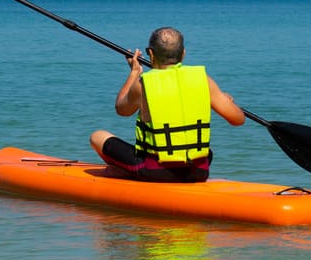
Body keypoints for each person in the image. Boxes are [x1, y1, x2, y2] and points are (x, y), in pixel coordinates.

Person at [89, 27, 245, 182]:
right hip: (198, 171)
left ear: (150, 53)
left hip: (154, 172)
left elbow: (121, 109)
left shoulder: (143, 84)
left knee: (98, 136)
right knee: (204, 150)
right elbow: (238, 119)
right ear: (183, 53)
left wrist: (134, 72)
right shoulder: (204, 80)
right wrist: (220, 99)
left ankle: (127, 172)